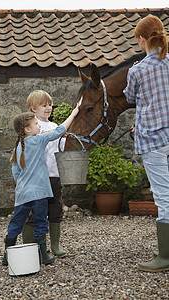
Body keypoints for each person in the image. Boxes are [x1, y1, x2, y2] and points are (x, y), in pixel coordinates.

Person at [2, 102, 79, 266]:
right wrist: (74, 113)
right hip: (40, 193)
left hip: (23, 194)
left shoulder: (18, 147)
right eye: (36, 123)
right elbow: (59, 131)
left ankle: (7, 256)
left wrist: (23, 186)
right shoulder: (38, 141)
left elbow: (16, 172)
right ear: (27, 130)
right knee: (40, 222)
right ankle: (43, 255)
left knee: (16, 222)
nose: (39, 126)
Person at [123, 14, 169, 272]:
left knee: (163, 196)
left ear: (142, 40)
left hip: (152, 140)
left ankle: (165, 257)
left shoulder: (137, 70)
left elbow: (131, 98)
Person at [22, 90, 67, 257]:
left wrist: (65, 138)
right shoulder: (32, 128)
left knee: (56, 210)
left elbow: (61, 148)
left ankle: (55, 245)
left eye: (50, 105)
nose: (48, 108)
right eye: (44, 105)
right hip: (38, 178)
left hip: (54, 175)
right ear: (33, 108)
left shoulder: (55, 126)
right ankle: (29, 246)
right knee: (35, 212)